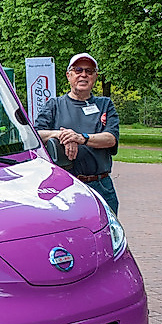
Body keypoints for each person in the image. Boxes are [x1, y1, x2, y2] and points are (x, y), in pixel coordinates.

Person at [34, 53, 120, 214]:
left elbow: (110, 139)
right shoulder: (54, 105)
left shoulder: (105, 104)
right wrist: (61, 135)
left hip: (101, 186)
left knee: (108, 234)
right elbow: (36, 135)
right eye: (78, 70)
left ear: (95, 76)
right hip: (64, 186)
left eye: (89, 71)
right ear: (69, 75)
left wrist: (80, 138)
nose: (83, 75)